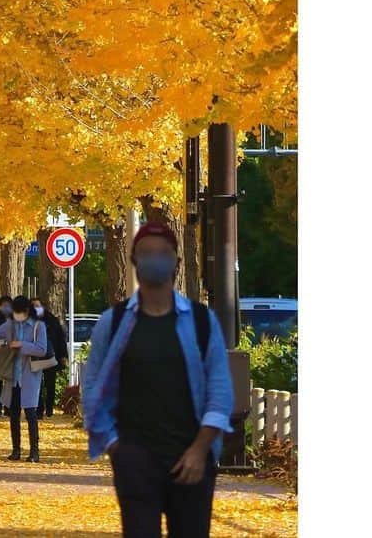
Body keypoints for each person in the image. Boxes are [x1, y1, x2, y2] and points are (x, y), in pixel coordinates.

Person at [82, 221, 234, 538]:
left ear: (177, 263)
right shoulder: (114, 322)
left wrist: (200, 449)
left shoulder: (202, 322)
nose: (154, 259)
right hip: (135, 459)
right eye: (146, 253)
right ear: (134, 261)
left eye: (163, 253)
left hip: (192, 458)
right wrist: (114, 446)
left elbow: (220, 391)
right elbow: (93, 387)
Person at [0, 294, 48, 463]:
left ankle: (34, 451)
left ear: (27, 311)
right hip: (13, 376)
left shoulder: (38, 326)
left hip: (30, 375)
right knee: (13, 413)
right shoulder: (10, 325)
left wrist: (22, 345)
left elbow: (42, 349)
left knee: (31, 413)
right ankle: (16, 449)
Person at [30, 297, 68, 418]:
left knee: (50, 384)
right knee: (37, 385)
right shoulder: (29, 321)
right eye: (33, 306)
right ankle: (39, 409)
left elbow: (61, 338)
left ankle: (49, 408)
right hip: (35, 357)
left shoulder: (52, 320)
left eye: (38, 306)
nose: (36, 309)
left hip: (52, 357)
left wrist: (62, 355)